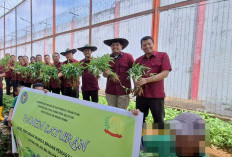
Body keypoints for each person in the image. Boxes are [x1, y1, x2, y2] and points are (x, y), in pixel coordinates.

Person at [135, 36, 172, 126]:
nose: (147, 46)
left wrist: (147, 80)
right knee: (139, 119)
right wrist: (135, 84)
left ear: (153, 44)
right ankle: (141, 139)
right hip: (141, 95)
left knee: (158, 120)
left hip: (156, 95)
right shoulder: (138, 60)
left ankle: (157, 140)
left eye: (149, 44)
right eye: (144, 45)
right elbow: (135, 75)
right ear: (141, 47)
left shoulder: (163, 56)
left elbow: (165, 73)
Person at [103, 38, 134, 109]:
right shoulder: (107, 58)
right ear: (110, 47)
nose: (115, 47)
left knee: (122, 113)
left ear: (121, 46)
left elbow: (134, 71)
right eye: (113, 45)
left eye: (117, 45)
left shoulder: (128, 57)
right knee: (112, 111)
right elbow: (104, 75)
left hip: (123, 91)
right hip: (110, 91)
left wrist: (135, 85)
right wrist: (105, 73)